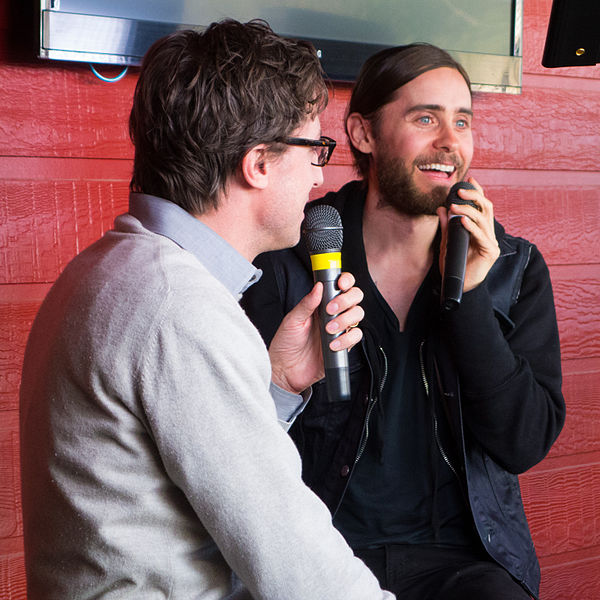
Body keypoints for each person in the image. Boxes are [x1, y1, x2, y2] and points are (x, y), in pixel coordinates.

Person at [19, 21, 396, 600]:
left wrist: (275, 383)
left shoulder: (112, 268)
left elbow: (184, 483)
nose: (322, 173)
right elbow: (300, 568)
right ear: (259, 163)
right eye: (316, 147)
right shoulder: (178, 307)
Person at [242, 43, 566, 600]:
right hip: (322, 554)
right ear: (364, 134)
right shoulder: (288, 259)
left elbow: (523, 442)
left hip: (465, 564)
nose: (449, 142)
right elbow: (238, 436)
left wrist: (467, 297)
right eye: (425, 118)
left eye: (462, 121)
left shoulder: (515, 268)